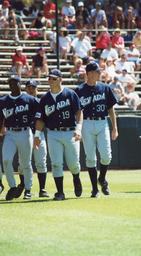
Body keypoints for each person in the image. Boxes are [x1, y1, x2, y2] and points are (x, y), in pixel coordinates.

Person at [33, 69, 83, 201]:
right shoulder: (45, 98)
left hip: (70, 131)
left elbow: (79, 112)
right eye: (49, 78)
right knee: (56, 163)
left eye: (54, 79)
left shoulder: (70, 94)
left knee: (73, 163)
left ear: (60, 80)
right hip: (53, 133)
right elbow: (40, 119)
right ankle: (60, 192)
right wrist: (37, 135)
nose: (51, 81)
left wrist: (79, 129)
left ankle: (76, 178)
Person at [75, 61, 118, 198]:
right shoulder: (80, 90)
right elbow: (76, 111)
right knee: (90, 158)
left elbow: (111, 109)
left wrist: (114, 128)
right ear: (90, 74)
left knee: (106, 156)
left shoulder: (105, 88)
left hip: (102, 122)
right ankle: (95, 189)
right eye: (97, 71)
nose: (99, 73)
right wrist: (78, 128)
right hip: (86, 123)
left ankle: (102, 178)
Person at [0, 75, 38, 200]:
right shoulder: (3, 101)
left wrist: (36, 133)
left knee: (25, 163)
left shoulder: (29, 99)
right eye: (10, 83)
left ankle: (28, 189)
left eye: (15, 82)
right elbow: (1, 119)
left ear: (20, 84)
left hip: (25, 132)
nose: (12, 85)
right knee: (6, 160)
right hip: (10, 134)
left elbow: (37, 116)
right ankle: (12, 186)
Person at [17, 79, 49, 198]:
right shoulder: (21, 103)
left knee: (41, 162)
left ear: (37, 89)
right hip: (24, 134)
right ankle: (25, 188)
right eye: (29, 87)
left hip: (39, 134)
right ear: (25, 89)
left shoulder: (41, 103)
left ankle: (42, 189)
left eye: (33, 87)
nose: (31, 89)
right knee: (23, 164)